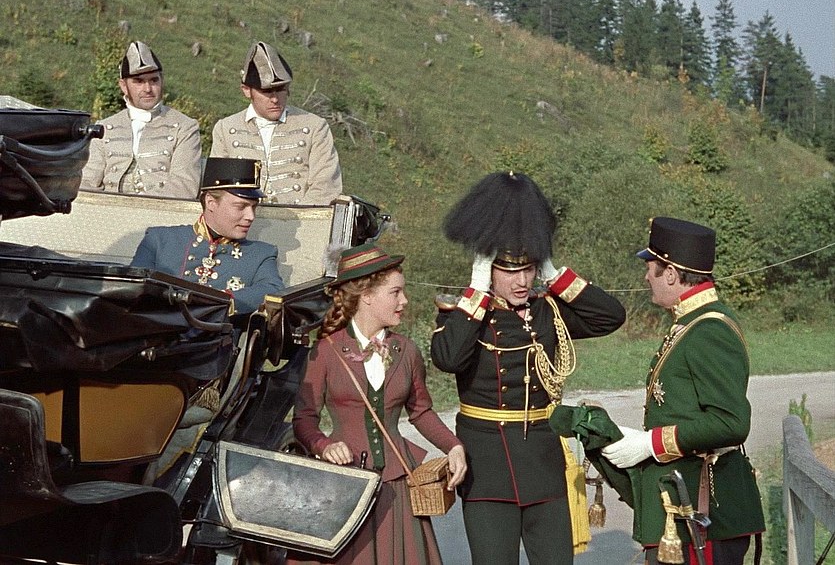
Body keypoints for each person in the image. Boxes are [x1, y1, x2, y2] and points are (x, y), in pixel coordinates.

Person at [430, 171, 626, 565]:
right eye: (509, 271)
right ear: (490, 268)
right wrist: (477, 289)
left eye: (530, 269)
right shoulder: (466, 314)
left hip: (543, 460)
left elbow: (610, 316)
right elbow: (447, 358)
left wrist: (555, 274)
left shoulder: (546, 311)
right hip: (487, 467)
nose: (522, 281)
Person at [600, 217, 765, 565]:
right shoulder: (690, 321)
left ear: (672, 273)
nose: (646, 277)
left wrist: (650, 443)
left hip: (705, 514)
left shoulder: (708, 330)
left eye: (650, 267)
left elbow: (732, 423)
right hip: (684, 507)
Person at [289, 243, 467, 565]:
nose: (404, 301)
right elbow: (304, 418)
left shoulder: (407, 351)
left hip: (397, 487)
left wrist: (453, 446)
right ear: (366, 296)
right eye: (395, 292)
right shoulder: (326, 351)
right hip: (344, 486)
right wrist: (324, 445)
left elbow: (421, 412)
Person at [130, 157, 285, 315]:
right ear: (211, 202)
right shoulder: (159, 240)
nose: (250, 216)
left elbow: (272, 290)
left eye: (254, 207)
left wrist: (222, 301)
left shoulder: (261, 254)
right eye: (241, 207)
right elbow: (133, 289)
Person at [210, 41, 342, 205]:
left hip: (301, 216)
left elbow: (325, 186)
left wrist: (300, 217)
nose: (275, 99)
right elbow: (218, 191)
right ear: (246, 90)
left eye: (280, 89)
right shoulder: (226, 128)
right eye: (266, 91)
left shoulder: (315, 126)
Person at [82, 41, 202, 199]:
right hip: (108, 209)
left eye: (154, 80)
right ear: (124, 86)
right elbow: (87, 182)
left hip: (162, 209)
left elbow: (184, 187)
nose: (148, 89)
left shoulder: (185, 127)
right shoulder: (104, 127)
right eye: (138, 81)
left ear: (162, 80)